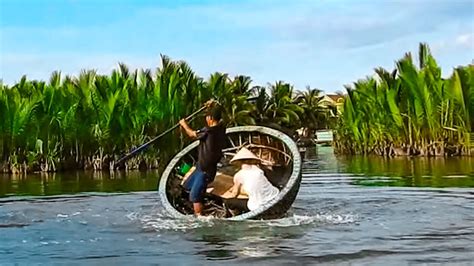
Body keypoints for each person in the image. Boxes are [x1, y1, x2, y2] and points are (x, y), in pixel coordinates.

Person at [179, 102, 226, 216]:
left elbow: (192, 134)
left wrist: (184, 124)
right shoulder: (221, 128)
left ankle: (199, 217)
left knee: (195, 196)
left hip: (205, 171)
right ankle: (200, 199)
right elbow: (221, 109)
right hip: (200, 168)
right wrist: (212, 105)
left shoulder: (209, 131)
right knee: (186, 187)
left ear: (209, 118)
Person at [225, 147, 279, 212]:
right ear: (251, 160)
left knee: (229, 202)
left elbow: (235, 193)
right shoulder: (258, 169)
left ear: (239, 162)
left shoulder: (238, 175)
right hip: (274, 196)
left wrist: (229, 195)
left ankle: (236, 215)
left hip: (258, 205)